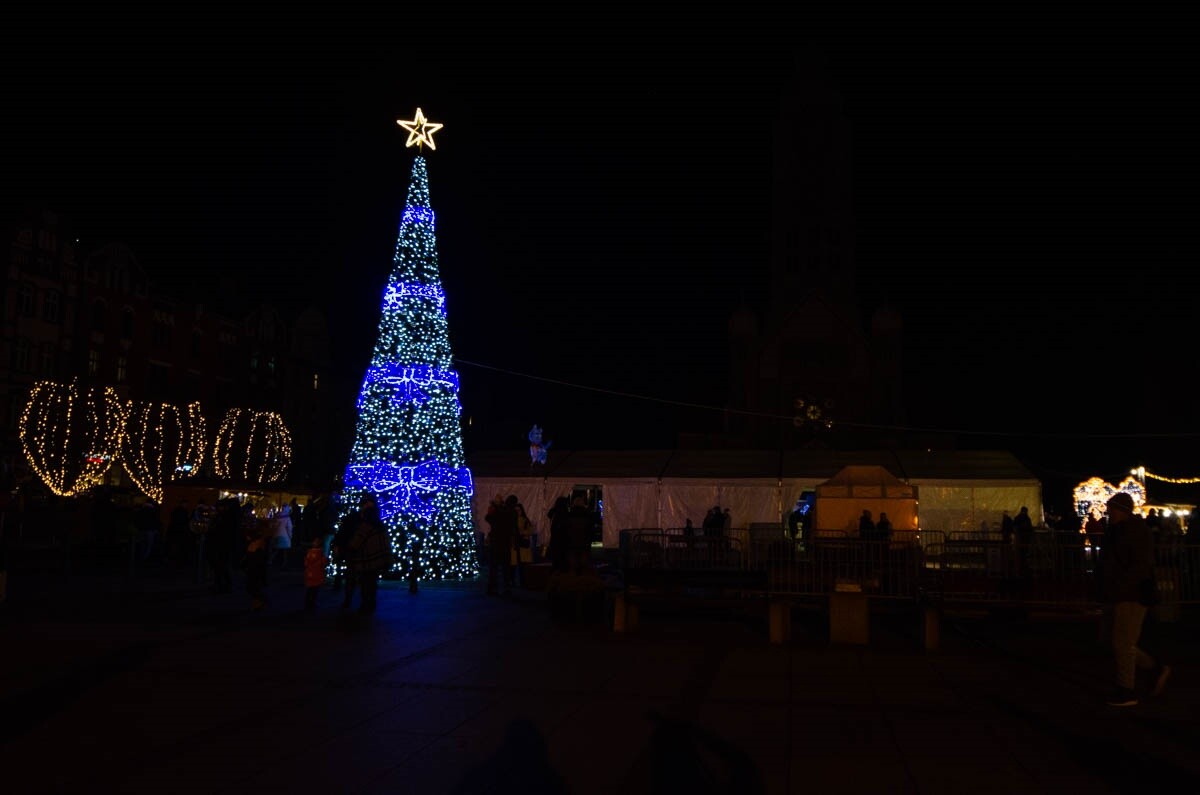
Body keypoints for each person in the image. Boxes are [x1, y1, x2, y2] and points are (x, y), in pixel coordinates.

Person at [1101, 492, 1170, 706]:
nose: (1108, 511)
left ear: (1122, 510)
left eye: (1112, 508)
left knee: (1122, 642)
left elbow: (1139, 566)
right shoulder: (1118, 530)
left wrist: (1120, 585)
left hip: (1132, 593)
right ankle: (1154, 669)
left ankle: (1127, 690)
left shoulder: (1135, 532)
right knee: (1118, 642)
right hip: (1120, 591)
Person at [345, 496, 393, 615]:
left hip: (366, 560)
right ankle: (371, 603)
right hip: (377, 560)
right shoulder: (380, 526)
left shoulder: (365, 527)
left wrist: (349, 549)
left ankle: (365, 604)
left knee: (365, 583)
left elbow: (355, 543)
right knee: (372, 583)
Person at [485, 495, 518, 595]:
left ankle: (492, 588)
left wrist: (495, 506)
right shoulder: (512, 513)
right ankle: (506, 588)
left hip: (495, 542)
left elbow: (488, 518)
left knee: (493, 567)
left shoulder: (499, 511)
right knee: (505, 568)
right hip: (505, 543)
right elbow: (513, 528)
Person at [546, 496, 571, 573]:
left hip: (555, 538)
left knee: (555, 559)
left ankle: (556, 575)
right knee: (563, 559)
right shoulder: (565, 513)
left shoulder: (553, 512)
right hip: (563, 539)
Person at [303, 538, 328, 611]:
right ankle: (312, 604)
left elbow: (306, 563)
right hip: (317, 575)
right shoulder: (321, 553)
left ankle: (307, 604)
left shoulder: (309, 553)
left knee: (309, 590)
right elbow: (324, 563)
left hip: (309, 574)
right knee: (314, 590)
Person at [270, 504, 293, 569]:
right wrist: (290, 536)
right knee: (284, 551)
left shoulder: (277, 515)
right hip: (285, 537)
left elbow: (272, 525)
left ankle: (270, 560)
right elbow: (289, 528)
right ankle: (284, 563)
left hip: (275, 535)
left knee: (276, 549)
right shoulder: (287, 518)